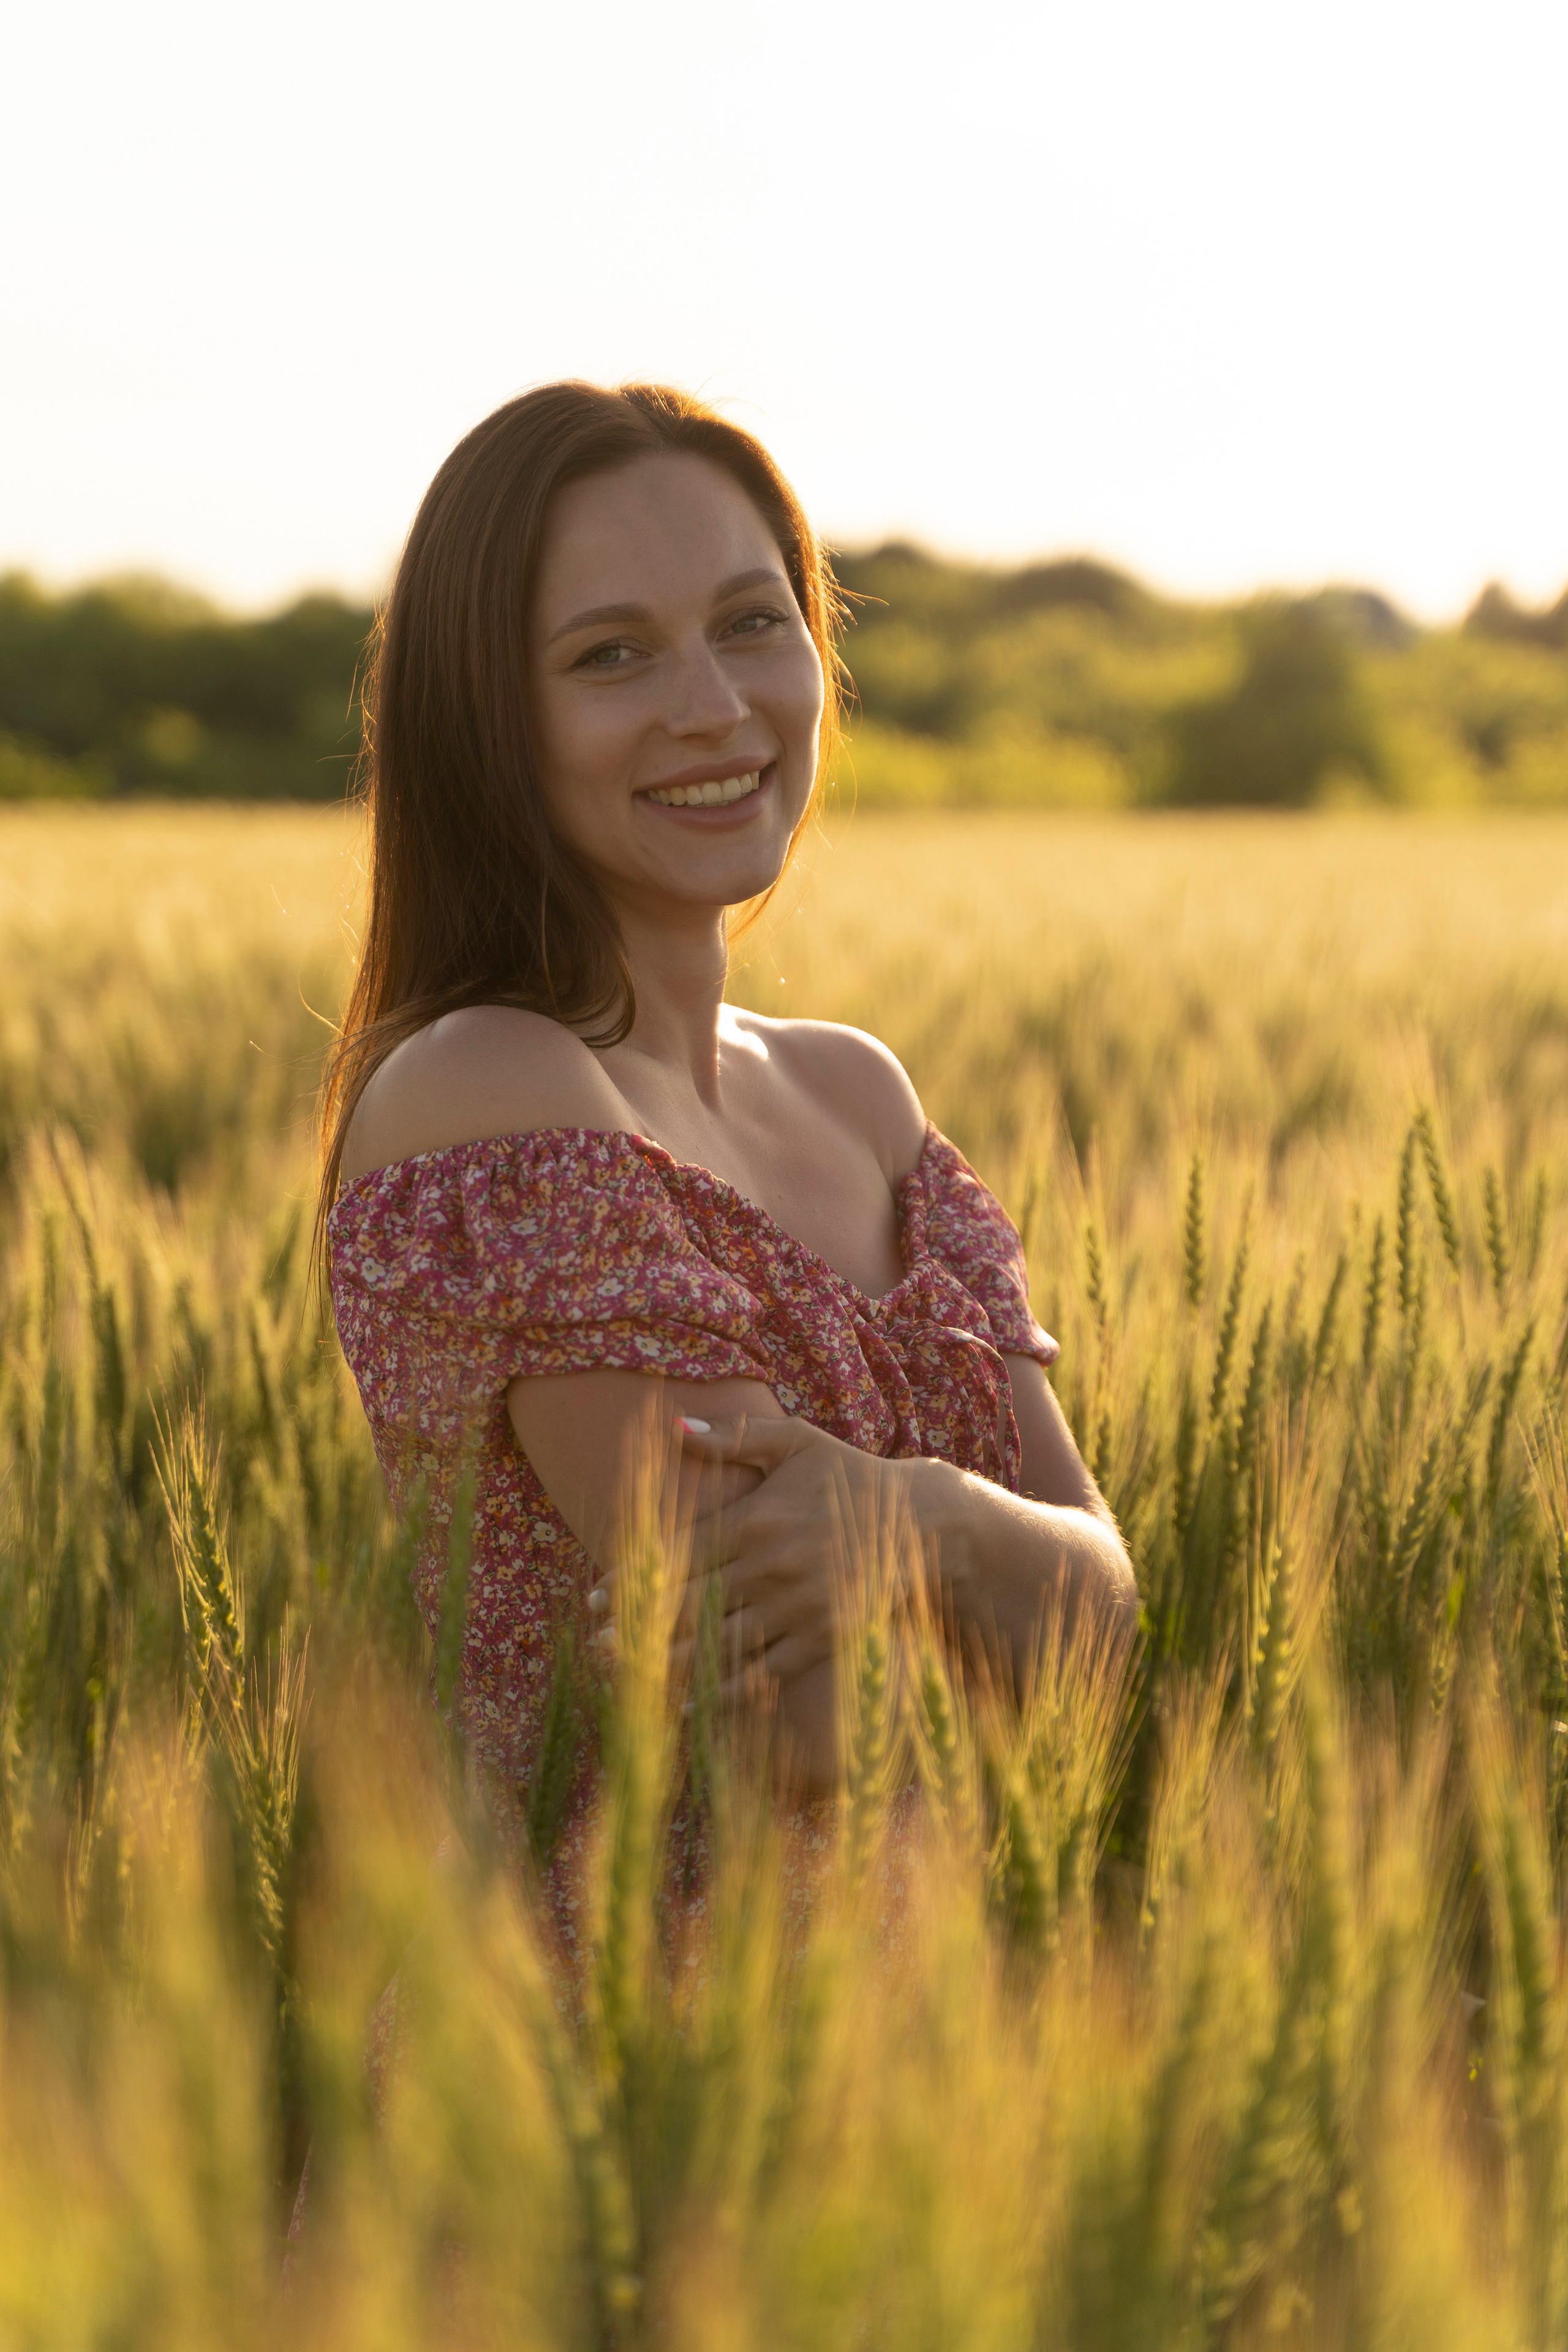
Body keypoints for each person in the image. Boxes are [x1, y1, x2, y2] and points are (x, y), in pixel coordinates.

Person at [320, 381, 1135, 1826]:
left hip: (980, 1958)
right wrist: (1014, 1583)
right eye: (610, 653)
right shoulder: (490, 1096)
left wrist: (919, 1522)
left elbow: (1118, 1650)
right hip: (654, 1965)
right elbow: (809, 1734)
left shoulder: (855, 1093)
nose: (713, 707)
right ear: (489, 721)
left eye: (753, 622)